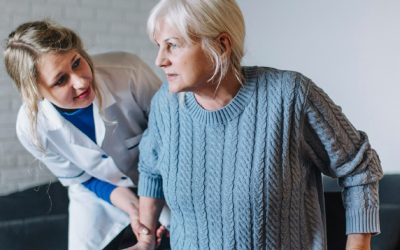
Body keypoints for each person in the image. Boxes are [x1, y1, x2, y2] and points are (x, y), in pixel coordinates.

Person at [129, 0, 384, 250]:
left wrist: (359, 243)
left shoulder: (290, 96)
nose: (160, 60)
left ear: (220, 45)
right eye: (158, 46)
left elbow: (359, 167)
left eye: (172, 46)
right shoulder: (166, 104)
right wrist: (145, 240)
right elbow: (151, 170)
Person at [3, 20, 170, 250]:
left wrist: (151, 210)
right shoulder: (31, 128)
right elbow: (83, 177)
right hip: (98, 193)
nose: (81, 81)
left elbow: (172, 138)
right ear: (36, 92)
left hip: (164, 177)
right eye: (61, 80)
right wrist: (134, 209)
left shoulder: (129, 72)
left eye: (77, 62)